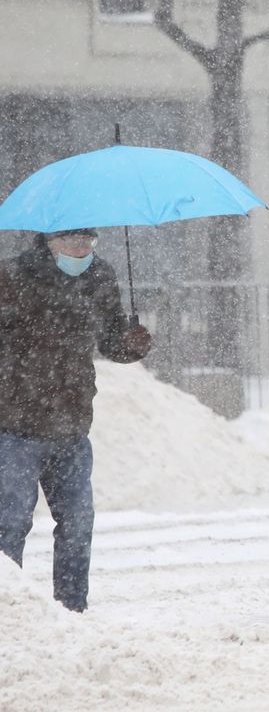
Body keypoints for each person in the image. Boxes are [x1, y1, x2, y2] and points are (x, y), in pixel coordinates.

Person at [0, 228, 152, 611]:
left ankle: (71, 610)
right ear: (49, 242)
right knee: (10, 525)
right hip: (15, 424)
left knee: (78, 526)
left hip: (72, 424)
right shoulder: (11, 276)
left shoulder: (100, 276)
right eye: (72, 242)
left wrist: (131, 344)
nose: (80, 250)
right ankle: (7, 612)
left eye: (88, 242)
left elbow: (112, 341)